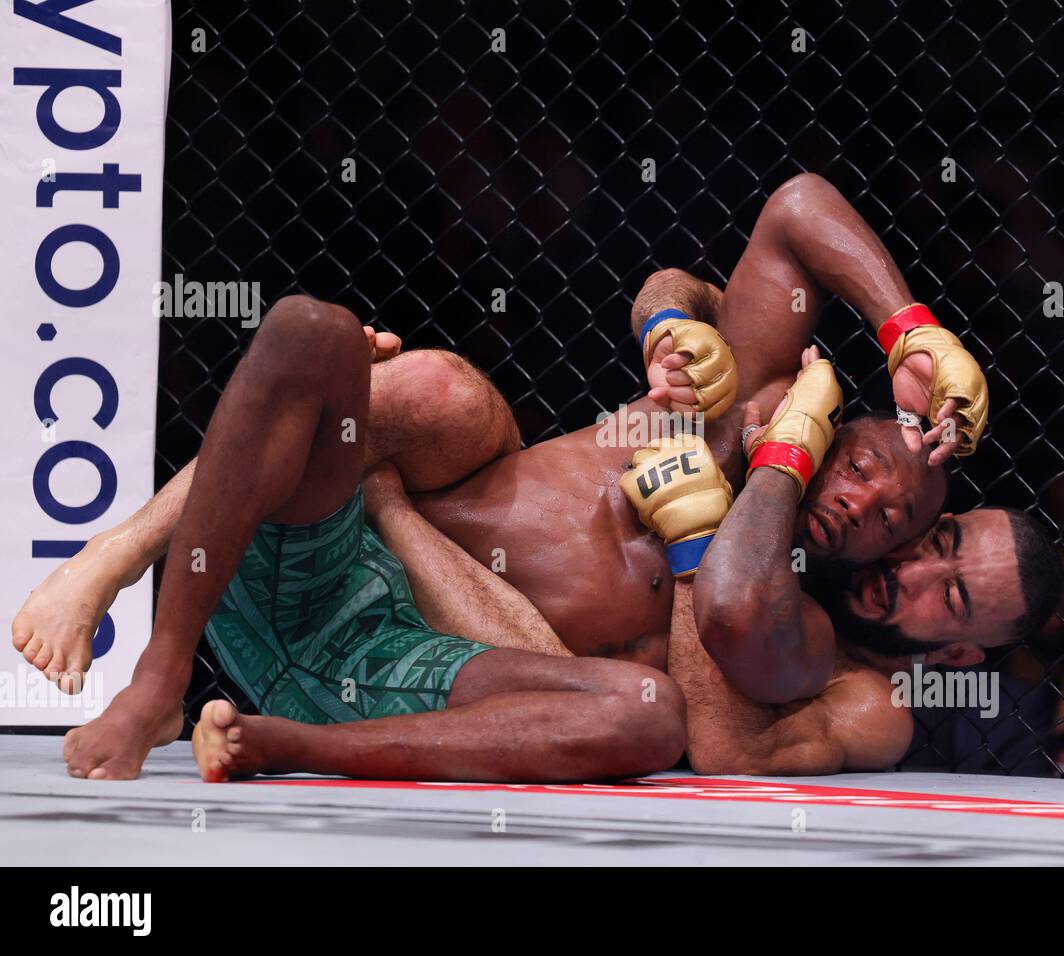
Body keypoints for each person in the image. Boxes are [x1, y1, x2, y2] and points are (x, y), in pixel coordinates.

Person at [15, 173, 1002, 778]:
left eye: (903, 534)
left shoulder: (822, 661)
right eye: (872, 467)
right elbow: (787, 215)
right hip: (302, 529)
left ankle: (269, 733)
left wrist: (709, 525)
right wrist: (903, 325)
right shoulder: (745, 402)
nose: (873, 509)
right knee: (430, 383)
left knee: (634, 706)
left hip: (396, 664)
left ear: (958, 651)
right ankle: (122, 573)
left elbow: (716, 732)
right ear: (848, 418)